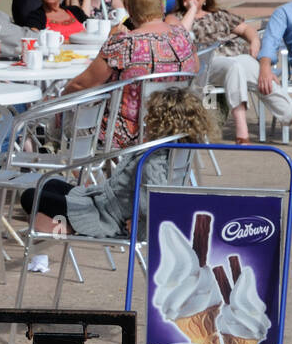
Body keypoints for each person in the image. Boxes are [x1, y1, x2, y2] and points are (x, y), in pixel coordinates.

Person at [21, 88, 220, 272]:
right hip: (105, 202)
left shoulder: (153, 161)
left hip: (108, 216)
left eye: (150, 116)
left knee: (31, 196)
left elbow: (157, 201)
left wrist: (144, 226)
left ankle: (73, 229)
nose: (145, 119)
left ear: (160, 122)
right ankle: (66, 226)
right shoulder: (176, 150)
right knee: (50, 184)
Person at [171, 0, 292, 147]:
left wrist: (254, 41)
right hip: (205, 64)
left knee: (264, 78)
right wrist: (191, 10)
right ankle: (241, 130)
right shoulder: (175, 18)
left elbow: (246, 30)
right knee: (234, 67)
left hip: (236, 58)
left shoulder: (219, 14)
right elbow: (180, 37)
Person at [61, 0, 197, 150]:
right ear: (162, 5)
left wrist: (60, 99)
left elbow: (81, 85)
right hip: (175, 130)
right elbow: (196, 69)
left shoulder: (124, 43)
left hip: (127, 138)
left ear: (128, 8)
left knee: (67, 115)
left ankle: (79, 176)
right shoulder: (183, 36)